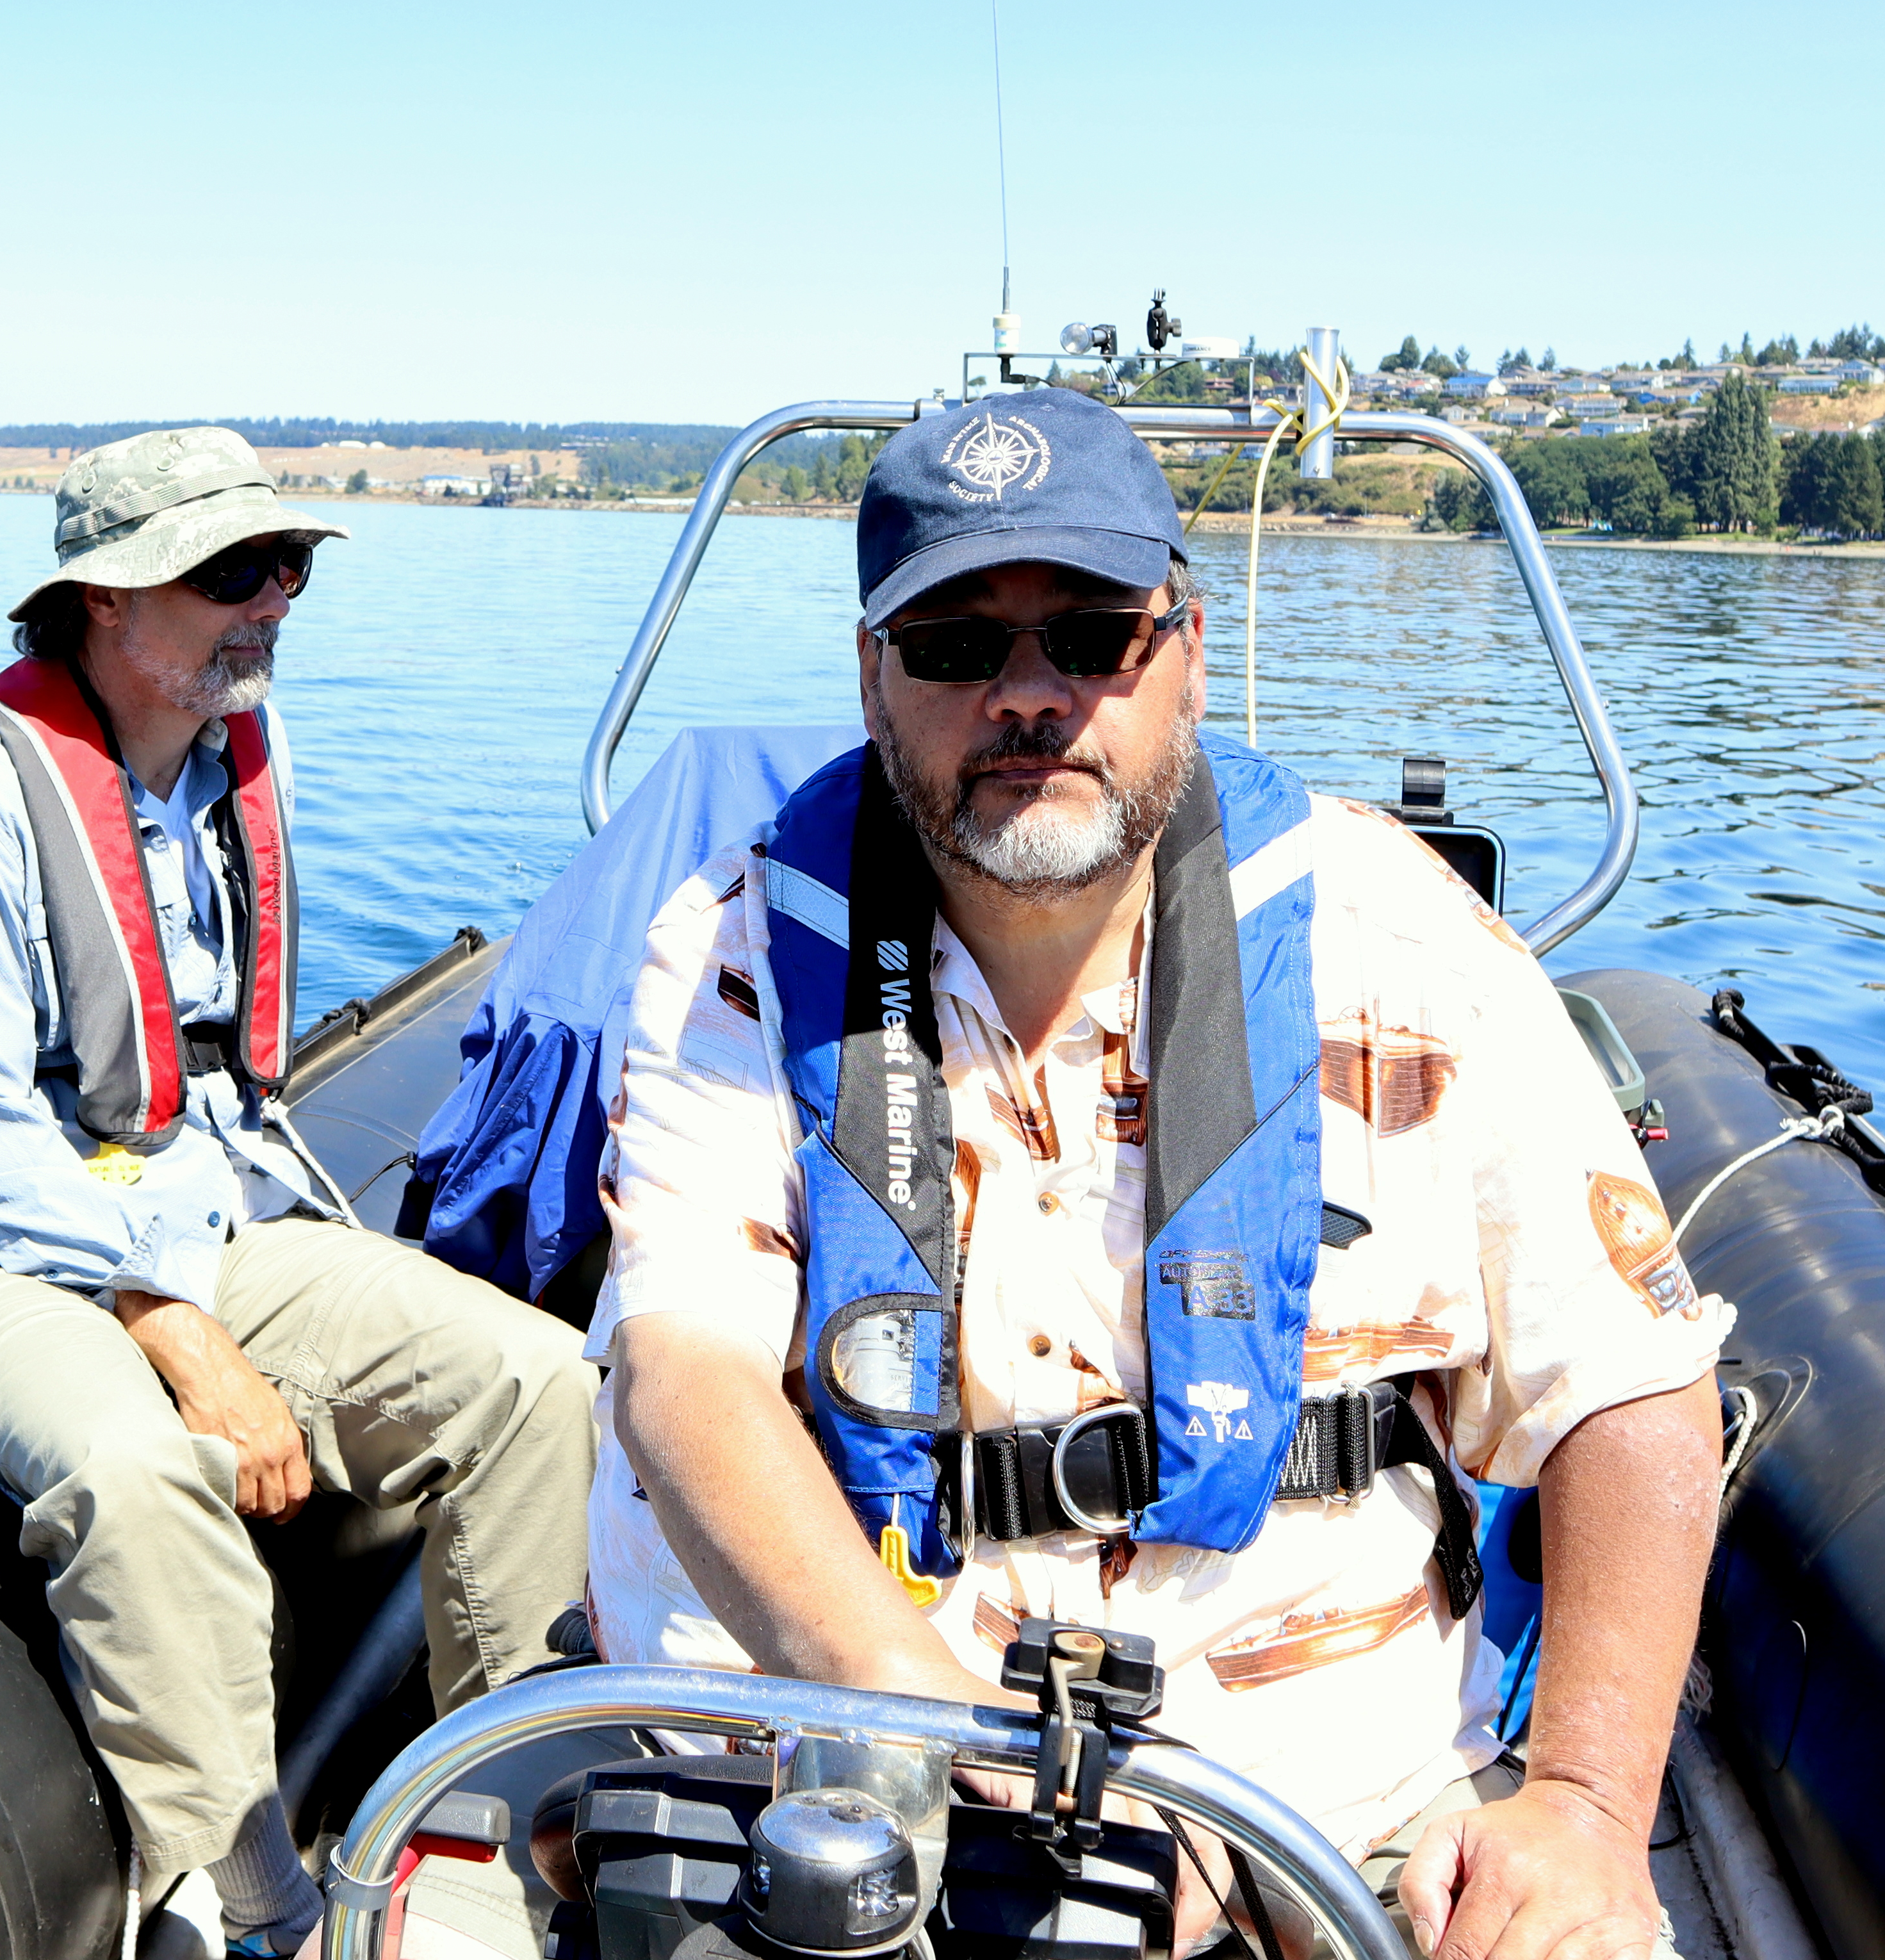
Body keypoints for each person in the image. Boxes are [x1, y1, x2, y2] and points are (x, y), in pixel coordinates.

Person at [588, 388, 1730, 1959]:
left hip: (1330, 1804)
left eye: (1094, 634)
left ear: (1185, 648)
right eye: (954, 644)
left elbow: (1632, 1388)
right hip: (856, 1768)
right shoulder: (735, 958)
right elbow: (685, 1371)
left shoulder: (1408, 946)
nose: (1029, 692)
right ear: (871, 676)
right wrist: (911, 1704)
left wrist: (1589, 1806)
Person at [0, 426, 596, 1955]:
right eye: (234, 570)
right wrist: (185, 1336)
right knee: (139, 1469)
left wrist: (208, 1280)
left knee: (537, 1382)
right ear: (106, 598)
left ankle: (502, 1840)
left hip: (197, 1200)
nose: (275, 601)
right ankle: (263, 1906)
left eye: (289, 564)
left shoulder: (243, 749)